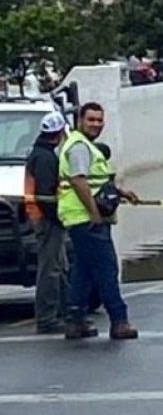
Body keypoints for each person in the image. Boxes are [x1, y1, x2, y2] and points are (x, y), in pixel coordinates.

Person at [58, 102, 140, 340]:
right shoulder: (79, 147)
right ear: (80, 121)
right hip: (87, 219)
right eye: (91, 120)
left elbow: (96, 181)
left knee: (83, 270)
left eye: (99, 120)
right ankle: (119, 321)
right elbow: (79, 181)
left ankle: (76, 321)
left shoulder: (86, 146)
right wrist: (94, 212)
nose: (96, 124)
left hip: (81, 218)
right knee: (106, 269)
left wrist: (122, 192)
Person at [23, 111, 69, 334]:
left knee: (59, 266)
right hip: (46, 220)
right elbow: (47, 194)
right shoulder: (45, 158)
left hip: (42, 218)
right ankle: (47, 318)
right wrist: (60, 218)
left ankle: (65, 309)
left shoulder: (40, 154)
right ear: (59, 133)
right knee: (50, 269)